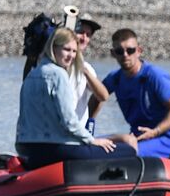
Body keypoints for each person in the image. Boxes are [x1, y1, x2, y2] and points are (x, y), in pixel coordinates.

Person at [16, 28, 134, 170]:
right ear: (53, 48)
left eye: (74, 51)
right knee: (128, 150)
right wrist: (92, 140)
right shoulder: (59, 74)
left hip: (26, 149)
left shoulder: (31, 75)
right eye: (67, 50)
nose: (71, 56)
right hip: (54, 150)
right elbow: (69, 121)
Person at [105, 29, 170, 159]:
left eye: (130, 50)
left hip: (163, 139)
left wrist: (155, 132)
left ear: (139, 51)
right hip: (135, 137)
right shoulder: (115, 78)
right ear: (113, 53)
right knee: (101, 147)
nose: (125, 55)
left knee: (127, 152)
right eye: (120, 51)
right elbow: (97, 96)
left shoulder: (154, 76)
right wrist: (88, 126)